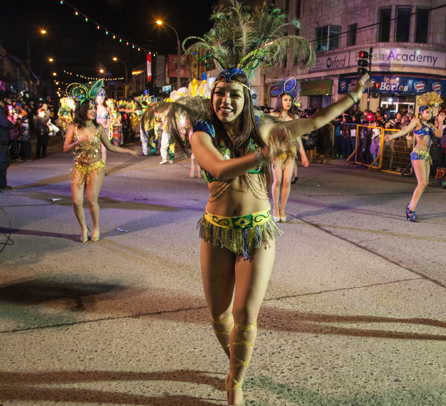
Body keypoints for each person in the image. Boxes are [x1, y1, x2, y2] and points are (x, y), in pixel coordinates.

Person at [153, 2, 369, 403]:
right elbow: (217, 170)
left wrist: (353, 96)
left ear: (245, 99)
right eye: (220, 94)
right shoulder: (203, 131)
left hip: (257, 232)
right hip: (215, 232)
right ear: (212, 98)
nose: (226, 102)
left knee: (245, 316)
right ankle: (236, 362)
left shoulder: (263, 127)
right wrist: (262, 156)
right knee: (218, 315)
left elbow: (312, 123)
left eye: (234, 95)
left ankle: (235, 383)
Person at [63, 80, 139, 242]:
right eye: (89, 108)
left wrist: (128, 151)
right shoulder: (73, 128)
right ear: (82, 110)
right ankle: (84, 228)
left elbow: (110, 147)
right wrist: (77, 142)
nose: (92, 110)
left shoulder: (99, 128)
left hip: (95, 167)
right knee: (76, 202)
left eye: (93, 108)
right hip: (79, 167)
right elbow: (65, 148)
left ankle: (96, 227)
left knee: (91, 200)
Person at [388, 93, 444, 221]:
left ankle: (410, 207)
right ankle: (410, 209)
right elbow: (405, 130)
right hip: (418, 154)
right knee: (422, 183)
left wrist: (441, 122)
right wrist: (392, 136)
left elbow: (439, 135)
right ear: (422, 112)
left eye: (431, 113)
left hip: (426, 155)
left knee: (425, 184)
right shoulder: (417, 121)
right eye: (428, 112)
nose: (429, 114)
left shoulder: (430, 125)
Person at [269, 77, 309, 222]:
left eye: (289, 100)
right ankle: (275, 207)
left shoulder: (294, 118)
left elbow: (297, 137)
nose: (288, 102)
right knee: (278, 180)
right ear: (280, 101)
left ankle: (282, 209)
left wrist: (303, 154)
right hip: (277, 152)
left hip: (291, 152)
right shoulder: (272, 116)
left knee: (287, 181)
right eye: (285, 99)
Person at [95, 88, 113, 167]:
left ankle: (103, 167)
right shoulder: (94, 108)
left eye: (101, 98)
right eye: (98, 98)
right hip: (96, 130)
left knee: (104, 150)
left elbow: (111, 117)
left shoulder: (107, 108)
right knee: (96, 149)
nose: (100, 100)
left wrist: (108, 124)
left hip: (105, 130)